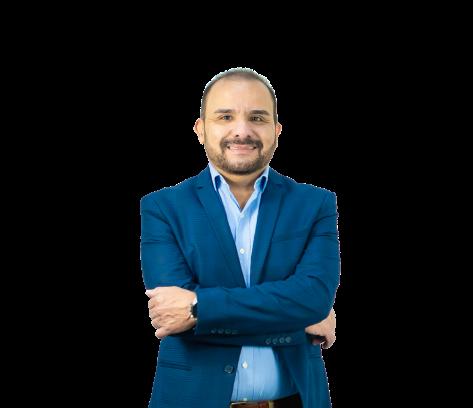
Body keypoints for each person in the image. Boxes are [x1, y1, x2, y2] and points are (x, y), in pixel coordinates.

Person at [141, 67, 340, 408]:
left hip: (297, 399)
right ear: (200, 129)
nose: (242, 131)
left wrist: (199, 307)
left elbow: (313, 299)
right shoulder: (161, 207)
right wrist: (296, 320)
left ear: (276, 130)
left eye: (257, 118)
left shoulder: (316, 203)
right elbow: (172, 318)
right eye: (225, 116)